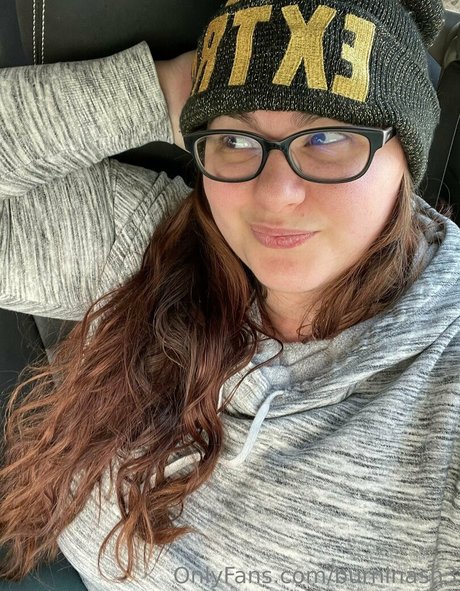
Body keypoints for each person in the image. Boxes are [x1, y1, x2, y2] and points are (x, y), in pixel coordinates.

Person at [0, 0, 459, 589]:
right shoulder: (152, 249)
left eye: (326, 136)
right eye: (237, 140)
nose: (275, 193)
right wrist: (159, 92)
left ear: (405, 160)